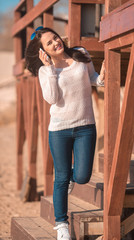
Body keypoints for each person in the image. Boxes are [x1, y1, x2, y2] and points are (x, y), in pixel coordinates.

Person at [25, 26, 105, 240]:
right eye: (48, 43)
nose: (55, 43)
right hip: (59, 130)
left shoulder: (81, 54)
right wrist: (50, 68)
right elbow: (52, 98)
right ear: (43, 51)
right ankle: (61, 226)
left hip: (85, 126)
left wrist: (102, 78)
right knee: (60, 178)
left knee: (82, 176)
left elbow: (92, 78)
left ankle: (71, 173)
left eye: (55, 38)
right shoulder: (44, 71)